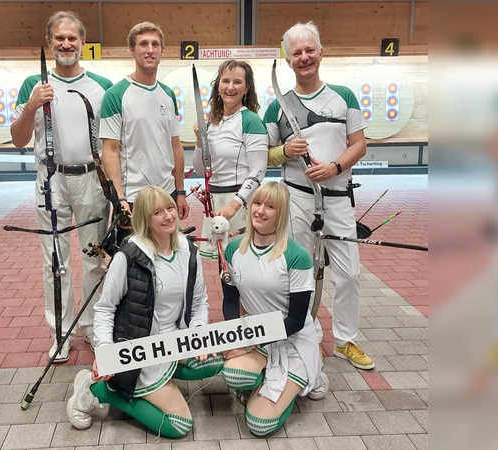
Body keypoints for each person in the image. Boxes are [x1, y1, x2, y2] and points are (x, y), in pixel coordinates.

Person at [66, 186, 221, 438]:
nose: (168, 216)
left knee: (214, 360)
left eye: (170, 208)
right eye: (157, 212)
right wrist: (106, 352)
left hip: (172, 341)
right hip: (139, 348)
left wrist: (198, 331)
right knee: (178, 426)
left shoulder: (188, 251)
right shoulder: (128, 256)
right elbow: (105, 309)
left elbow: (199, 301)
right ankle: (98, 391)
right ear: (145, 220)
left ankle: (163, 383)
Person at [264, 22, 373, 370]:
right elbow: (264, 154)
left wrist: (335, 168)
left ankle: (345, 340)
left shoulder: (344, 96)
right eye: (296, 52)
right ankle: (304, 334)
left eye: (310, 50)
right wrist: (284, 150)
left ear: (321, 53)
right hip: (296, 198)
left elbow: (360, 145)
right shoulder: (276, 106)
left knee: (350, 273)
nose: (304, 57)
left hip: (338, 197)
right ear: (288, 59)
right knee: (301, 271)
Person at [10, 11, 112, 362]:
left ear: (83, 43)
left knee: (95, 259)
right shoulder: (33, 85)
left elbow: (113, 142)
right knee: (55, 261)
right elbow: (18, 140)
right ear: (49, 42)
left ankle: (93, 327)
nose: (66, 44)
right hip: (50, 180)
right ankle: (60, 331)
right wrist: (31, 107)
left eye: (73, 38)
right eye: (59, 38)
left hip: (91, 181)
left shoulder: (102, 87)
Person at [222, 181, 328, 436]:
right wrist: (236, 338)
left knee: (260, 425)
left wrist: (247, 340)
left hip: (292, 339)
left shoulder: (296, 255)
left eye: (270, 206)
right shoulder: (234, 248)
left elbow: (297, 320)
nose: (260, 211)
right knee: (234, 375)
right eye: (257, 203)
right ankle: (263, 379)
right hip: (257, 337)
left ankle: (313, 369)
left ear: (281, 214)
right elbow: (229, 301)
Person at [191, 59, 268, 321]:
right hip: (215, 203)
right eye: (226, 81)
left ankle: (253, 328)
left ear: (247, 88)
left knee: (243, 273)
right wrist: (200, 143)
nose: (231, 87)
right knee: (226, 273)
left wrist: (235, 204)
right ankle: (235, 331)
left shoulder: (251, 120)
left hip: (240, 205)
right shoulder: (212, 121)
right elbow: (201, 170)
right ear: (218, 85)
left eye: (237, 82)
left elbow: (258, 171)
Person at [99, 22, 190, 219]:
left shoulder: (168, 94)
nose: (150, 50)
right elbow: (110, 150)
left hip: (167, 192)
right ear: (132, 49)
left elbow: (175, 146)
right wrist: (119, 197)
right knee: (133, 251)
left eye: (155, 45)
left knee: (168, 249)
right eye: (143, 44)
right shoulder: (115, 95)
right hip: (133, 197)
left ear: (162, 51)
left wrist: (180, 190)